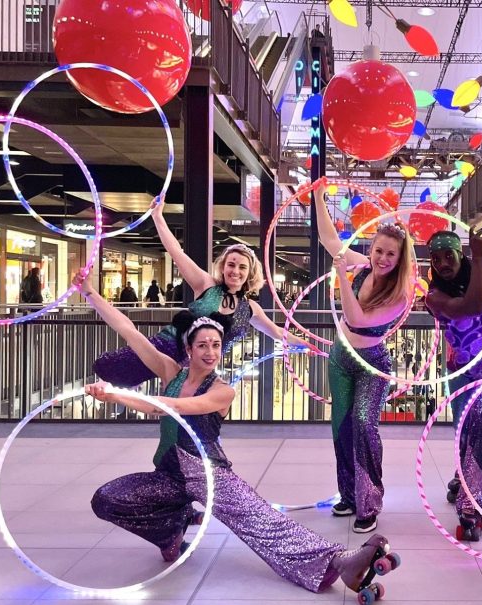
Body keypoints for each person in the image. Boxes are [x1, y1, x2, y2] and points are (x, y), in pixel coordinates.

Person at [72, 271, 400, 598]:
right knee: (107, 499)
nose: (210, 352)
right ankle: (171, 528)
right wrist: (89, 293)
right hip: (170, 476)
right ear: (188, 348)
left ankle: (340, 561)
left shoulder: (221, 392)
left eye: (215, 345)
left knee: (262, 522)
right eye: (202, 345)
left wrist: (115, 395)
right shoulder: (170, 370)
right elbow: (128, 330)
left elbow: (169, 407)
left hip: (209, 475)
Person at [93, 201, 315, 388]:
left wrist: (305, 345)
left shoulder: (250, 309)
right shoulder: (206, 285)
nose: (235, 271)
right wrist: (158, 217)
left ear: (249, 273)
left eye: (241, 267)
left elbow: (277, 333)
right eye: (231, 264)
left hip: (193, 371)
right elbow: (176, 252)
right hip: (161, 348)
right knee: (114, 370)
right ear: (223, 266)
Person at [314, 178, 416, 534]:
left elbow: (357, 318)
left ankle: (369, 503)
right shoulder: (362, 266)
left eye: (391, 254)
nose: (383, 259)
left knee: (363, 425)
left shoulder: (401, 293)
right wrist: (318, 197)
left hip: (371, 365)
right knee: (340, 428)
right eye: (378, 251)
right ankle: (350, 495)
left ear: (400, 258)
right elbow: (330, 240)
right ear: (370, 248)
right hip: (342, 358)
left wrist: (341, 276)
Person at [424, 228, 482, 541]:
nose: (443, 263)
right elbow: (472, 306)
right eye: (436, 258)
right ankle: (465, 480)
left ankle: (472, 508)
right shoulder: (434, 296)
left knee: (481, 430)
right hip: (461, 369)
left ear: (459, 253)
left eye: (449, 255)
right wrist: (476, 255)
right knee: (465, 430)